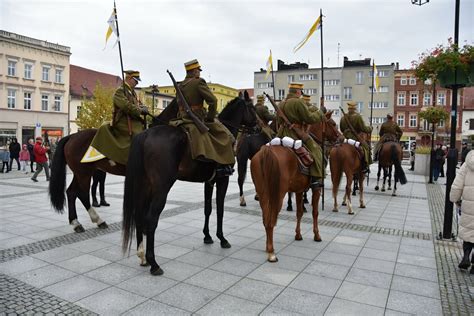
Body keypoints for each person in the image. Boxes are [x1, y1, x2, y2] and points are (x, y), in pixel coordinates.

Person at [169, 59, 235, 177]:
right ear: (194, 71)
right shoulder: (198, 82)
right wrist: (210, 118)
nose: (199, 72)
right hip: (197, 118)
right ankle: (222, 167)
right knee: (224, 136)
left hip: (182, 119)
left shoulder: (180, 85)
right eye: (198, 70)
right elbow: (213, 101)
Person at [82, 70, 148, 165]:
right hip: (123, 120)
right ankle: (128, 160)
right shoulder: (120, 91)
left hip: (132, 119)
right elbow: (125, 106)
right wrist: (140, 110)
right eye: (135, 80)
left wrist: (142, 107)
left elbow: (135, 105)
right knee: (138, 134)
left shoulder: (132, 92)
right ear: (129, 78)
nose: (137, 83)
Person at [276, 82, 324, 188]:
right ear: (298, 91)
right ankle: (316, 178)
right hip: (295, 133)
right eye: (300, 92)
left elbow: (278, 120)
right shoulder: (298, 102)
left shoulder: (281, 103)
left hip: (281, 134)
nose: (301, 94)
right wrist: (320, 113)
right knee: (316, 150)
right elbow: (309, 118)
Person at [449, 150, 474, 274]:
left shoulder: (469, 162)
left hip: (469, 204)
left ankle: (466, 256)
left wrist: (455, 198)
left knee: (469, 230)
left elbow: (457, 184)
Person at [340, 101, 372, 173]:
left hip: (345, 138)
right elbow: (363, 128)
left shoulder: (343, 118)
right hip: (355, 138)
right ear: (355, 108)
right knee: (366, 148)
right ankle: (365, 166)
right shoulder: (358, 117)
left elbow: (342, 129)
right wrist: (370, 128)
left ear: (348, 108)